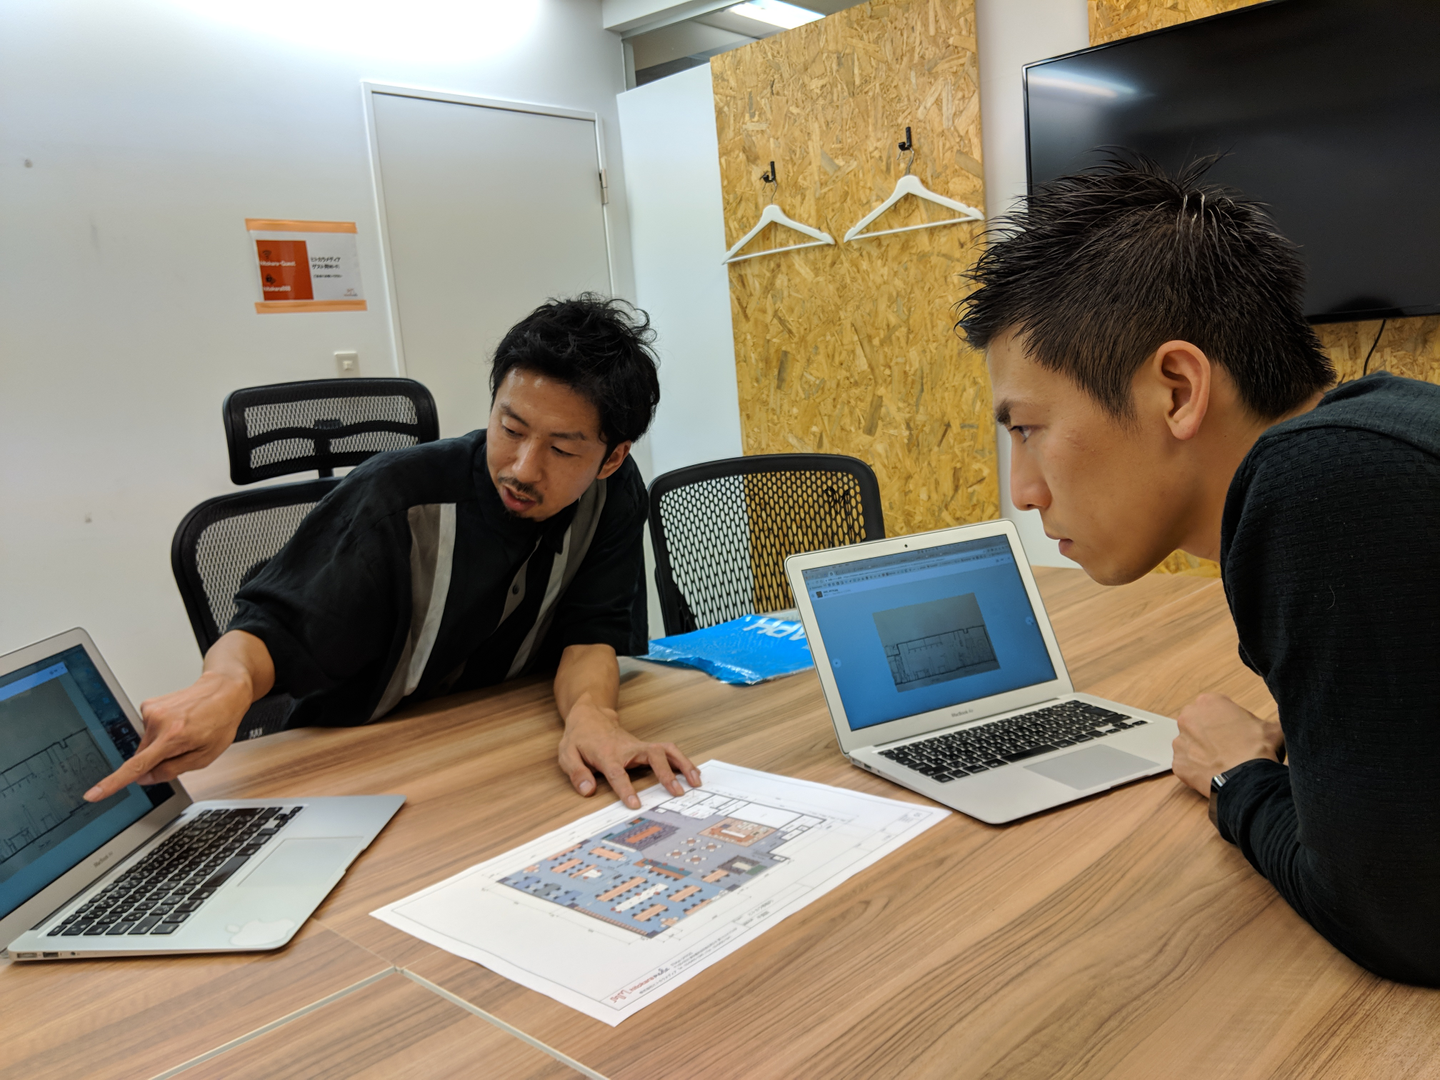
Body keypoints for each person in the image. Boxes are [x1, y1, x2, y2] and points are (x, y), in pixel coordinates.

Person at [956, 158, 1440, 985]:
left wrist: (1235, 776)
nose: (1024, 490)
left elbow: (1403, 923)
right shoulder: (1385, 420)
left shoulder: (1323, 484)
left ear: (1177, 389)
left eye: (1028, 428)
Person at [86, 295, 700, 812]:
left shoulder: (614, 495)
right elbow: (270, 633)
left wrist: (592, 716)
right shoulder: (395, 499)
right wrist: (227, 682)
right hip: (359, 766)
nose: (521, 467)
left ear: (612, 458)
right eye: (510, 429)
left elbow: (590, 634)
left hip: (490, 747)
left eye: (562, 450)